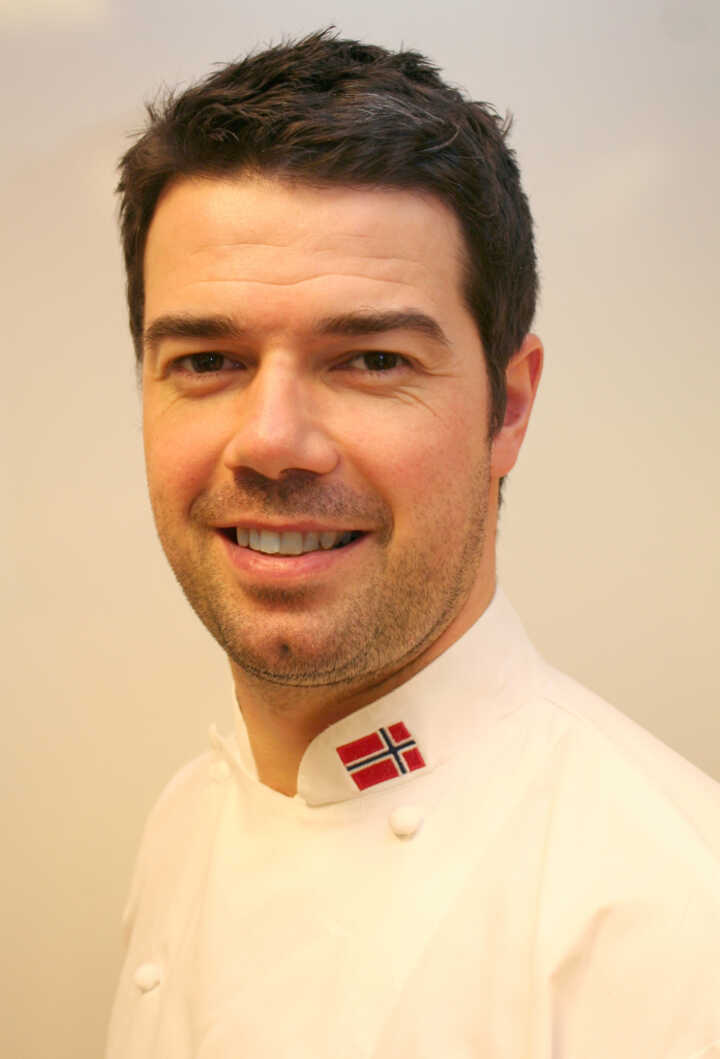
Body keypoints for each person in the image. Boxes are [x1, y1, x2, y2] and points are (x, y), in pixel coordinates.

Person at [106, 29, 720, 1059]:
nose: (271, 442)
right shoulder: (183, 820)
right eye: (207, 360)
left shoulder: (673, 922)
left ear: (508, 407)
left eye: (372, 359)